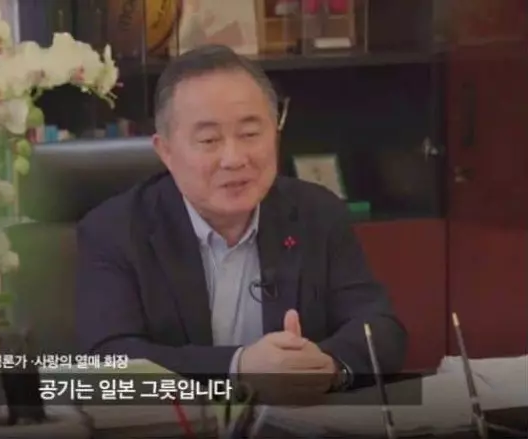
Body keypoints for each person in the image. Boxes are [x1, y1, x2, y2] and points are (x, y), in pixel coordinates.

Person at [75, 44, 407, 397]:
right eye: (209, 140)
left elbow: (381, 330)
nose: (234, 159)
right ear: (166, 151)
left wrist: (329, 365)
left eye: (250, 134)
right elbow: (108, 360)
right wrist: (238, 367)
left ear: (275, 131)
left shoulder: (317, 213)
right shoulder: (114, 230)